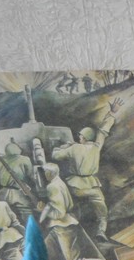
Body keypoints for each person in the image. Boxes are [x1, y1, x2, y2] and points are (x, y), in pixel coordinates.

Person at [52, 97, 123, 241]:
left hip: (74, 186)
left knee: (69, 204)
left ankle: (72, 229)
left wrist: (64, 147)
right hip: (92, 186)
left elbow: (55, 155)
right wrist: (111, 113)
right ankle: (101, 230)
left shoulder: (74, 148)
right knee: (101, 208)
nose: (79, 138)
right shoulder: (96, 147)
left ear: (83, 137)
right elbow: (103, 131)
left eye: (80, 136)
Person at [0, 137, 35, 223]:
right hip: (19, 191)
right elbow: (30, 174)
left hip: (3, 193)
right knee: (26, 216)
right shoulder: (25, 160)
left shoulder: (0, 161)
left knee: (2, 216)